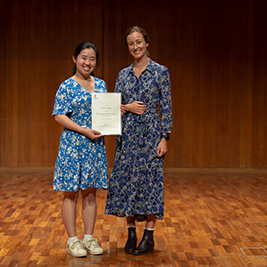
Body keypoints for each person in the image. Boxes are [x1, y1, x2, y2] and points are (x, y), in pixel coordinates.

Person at [105, 26, 172, 256]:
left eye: (138, 42)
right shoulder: (123, 74)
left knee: (150, 184)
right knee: (128, 183)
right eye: (131, 43)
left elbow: (168, 107)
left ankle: (149, 236)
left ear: (146, 42)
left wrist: (165, 137)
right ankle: (131, 232)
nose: (135, 47)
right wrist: (128, 107)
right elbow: (113, 108)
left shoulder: (160, 72)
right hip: (127, 137)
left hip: (152, 136)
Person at [52, 42, 108, 258]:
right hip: (72, 145)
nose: (88, 62)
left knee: (91, 193)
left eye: (92, 58)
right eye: (84, 57)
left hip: (94, 146)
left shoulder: (101, 85)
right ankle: (73, 241)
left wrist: (118, 113)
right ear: (74, 59)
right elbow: (59, 115)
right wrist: (84, 130)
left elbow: (105, 112)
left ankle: (89, 238)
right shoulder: (66, 86)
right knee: (71, 193)